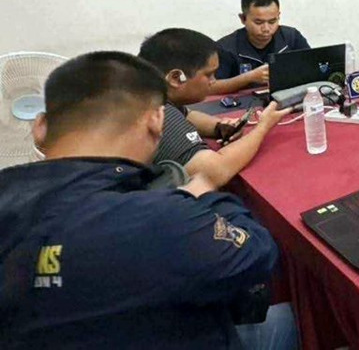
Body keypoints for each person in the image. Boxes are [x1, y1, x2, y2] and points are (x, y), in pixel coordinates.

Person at [0, 51, 296, 349]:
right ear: (156, 121)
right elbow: (259, 254)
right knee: (290, 320)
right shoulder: (162, 216)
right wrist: (204, 196)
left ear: (40, 126)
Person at [140, 28, 292, 189]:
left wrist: (218, 127)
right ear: (176, 78)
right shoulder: (156, 112)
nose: (213, 81)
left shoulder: (145, 92)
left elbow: (187, 115)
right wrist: (263, 127)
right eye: (209, 75)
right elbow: (213, 172)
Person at [215, 0, 310, 93]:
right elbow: (211, 87)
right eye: (258, 22)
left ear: (278, 16)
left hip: (284, 96)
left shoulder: (291, 37)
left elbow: (312, 67)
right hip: (244, 100)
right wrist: (248, 77)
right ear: (243, 19)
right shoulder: (225, 47)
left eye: (272, 21)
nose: (266, 29)